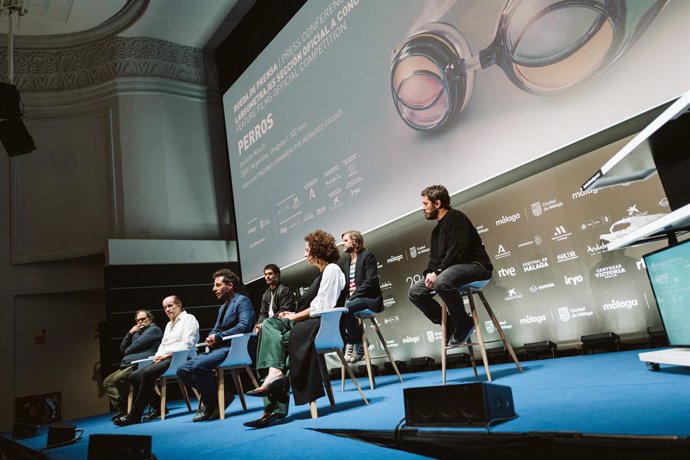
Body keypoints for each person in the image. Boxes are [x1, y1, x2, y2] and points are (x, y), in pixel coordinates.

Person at [244, 229, 346, 429]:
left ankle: (273, 407)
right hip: (308, 323)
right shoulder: (322, 273)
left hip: (320, 326)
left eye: (307, 250)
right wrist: (290, 316)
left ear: (317, 250)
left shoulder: (332, 269)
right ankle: (275, 375)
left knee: (273, 338)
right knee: (268, 326)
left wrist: (293, 316)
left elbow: (323, 307)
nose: (305, 254)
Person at [408, 185, 493, 347]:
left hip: (476, 267)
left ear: (437, 203)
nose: (423, 208)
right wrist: (429, 273)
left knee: (441, 282)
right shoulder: (436, 232)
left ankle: (464, 324)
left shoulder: (456, 217)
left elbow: (458, 251)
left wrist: (438, 272)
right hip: (450, 271)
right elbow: (434, 260)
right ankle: (450, 325)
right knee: (415, 292)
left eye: (426, 204)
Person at [176, 268, 255, 422]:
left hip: (235, 349)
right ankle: (220, 397)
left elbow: (244, 326)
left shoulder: (242, 301)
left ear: (230, 285)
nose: (214, 289)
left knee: (199, 366)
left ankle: (209, 403)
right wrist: (212, 335)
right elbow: (217, 328)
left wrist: (219, 337)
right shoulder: (223, 307)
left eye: (217, 285)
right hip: (221, 348)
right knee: (182, 370)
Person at [113, 295, 199, 426]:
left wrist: (167, 355)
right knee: (133, 376)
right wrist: (158, 356)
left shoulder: (189, 319)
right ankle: (159, 406)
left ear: (179, 305)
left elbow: (187, 344)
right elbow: (162, 345)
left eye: (170, 306)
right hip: (166, 358)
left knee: (147, 373)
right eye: (165, 307)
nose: (167, 309)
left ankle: (135, 415)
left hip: (182, 358)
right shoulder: (169, 324)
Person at [103, 309, 163, 420]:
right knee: (107, 382)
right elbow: (122, 348)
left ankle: (128, 407)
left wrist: (128, 350)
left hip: (143, 363)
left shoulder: (153, 330)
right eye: (138, 320)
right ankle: (122, 408)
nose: (141, 322)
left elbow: (132, 347)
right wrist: (130, 332)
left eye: (143, 319)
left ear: (149, 319)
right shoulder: (137, 333)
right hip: (129, 364)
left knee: (118, 378)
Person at [340, 230, 383, 363]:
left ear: (355, 241)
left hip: (368, 299)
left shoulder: (367, 256)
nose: (343, 243)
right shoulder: (346, 264)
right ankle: (352, 341)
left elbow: (370, 282)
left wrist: (353, 296)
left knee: (346, 308)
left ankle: (358, 343)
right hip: (353, 300)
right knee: (336, 310)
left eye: (346, 240)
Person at [255, 264, 295, 333]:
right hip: (269, 323)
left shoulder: (284, 290)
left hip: (281, 322)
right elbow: (263, 313)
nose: (267, 276)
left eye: (270, 274)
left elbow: (284, 311)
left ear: (277, 275)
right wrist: (259, 324)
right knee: (255, 330)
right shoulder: (265, 294)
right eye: (265, 274)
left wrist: (266, 323)